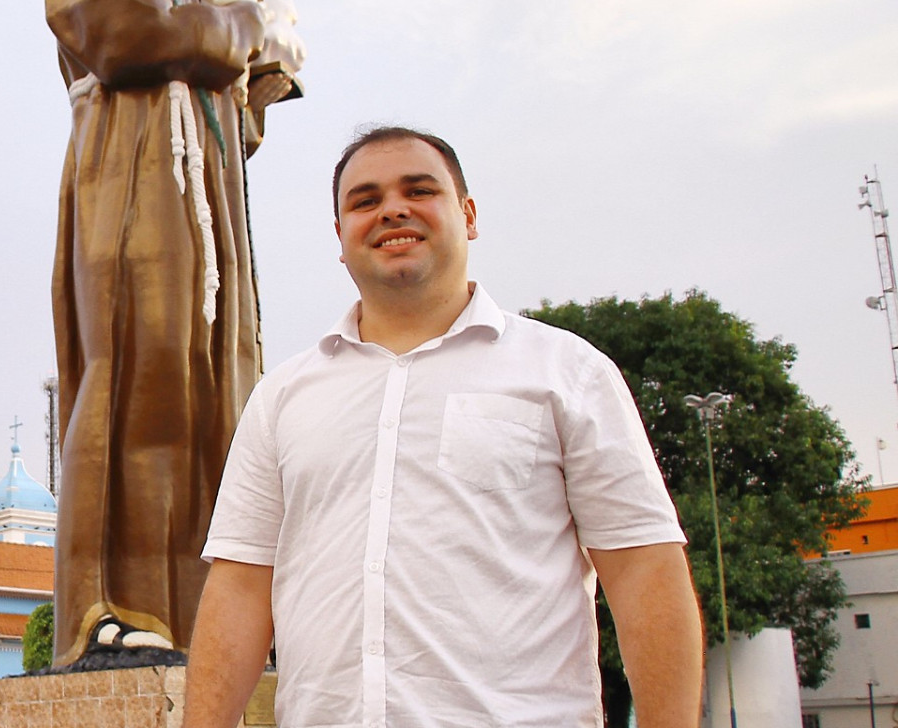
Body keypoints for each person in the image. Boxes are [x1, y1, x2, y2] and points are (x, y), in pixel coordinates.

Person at [184, 127, 705, 727]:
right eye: (364, 200)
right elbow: (240, 588)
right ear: (340, 236)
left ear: (468, 214)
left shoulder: (568, 374)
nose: (392, 210)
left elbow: (644, 569)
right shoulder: (282, 397)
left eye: (419, 190)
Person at [44, 0, 303, 665]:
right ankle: (106, 608)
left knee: (219, 390)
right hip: (128, 159)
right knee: (135, 376)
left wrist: (244, 61)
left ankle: (210, 617)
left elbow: (255, 97)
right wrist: (241, 25)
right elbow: (127, 34)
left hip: (208, 188)